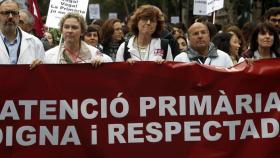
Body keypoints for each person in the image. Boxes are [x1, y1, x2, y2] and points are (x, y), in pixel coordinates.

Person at [44, 12, 112, 66]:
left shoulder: (96, 54)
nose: (70, 31)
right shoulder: (48, 56)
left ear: (82, 32)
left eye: (74, 27)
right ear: (61, 30)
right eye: (66, 27)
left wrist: (103, 65)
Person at [0, 0, 44, 69]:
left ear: (18, 17)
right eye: (6, 13)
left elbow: (44, 75)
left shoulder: (35, 43)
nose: (10, 16)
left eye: (14, 13)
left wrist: (41, 67)